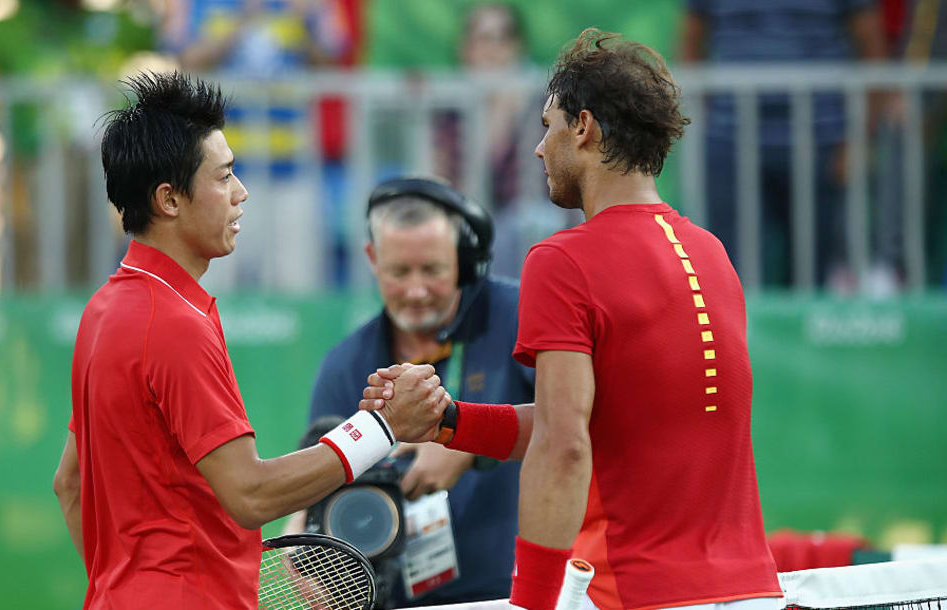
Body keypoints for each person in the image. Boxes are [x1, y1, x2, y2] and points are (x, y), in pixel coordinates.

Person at [363, 29, 781, 610]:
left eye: (547, 125)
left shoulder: (563, 259)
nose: (539, 148)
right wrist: (448, 420)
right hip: (753, 592)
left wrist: (532, 603)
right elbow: (592, 424)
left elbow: (564, 446)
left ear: (582, 128)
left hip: (634, 593)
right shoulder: (711, 252)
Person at [51, 71, 449, 610]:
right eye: (224, 177)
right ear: (169, 199)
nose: (241, 194)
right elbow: (250, 494)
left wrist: (129, 587)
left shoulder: (104, 310)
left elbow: (68, 484)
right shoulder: (171, 322)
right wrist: (382, 430)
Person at [301, 177, 534, 606]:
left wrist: (467, 442)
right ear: (372, 259)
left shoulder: (520, 317)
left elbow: (580, 423)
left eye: (432, 270)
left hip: (515, 595)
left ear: (463, 262)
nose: (415, 290)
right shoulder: (345, 365)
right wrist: (305, 563)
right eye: (398, 271)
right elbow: (313, 492)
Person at [678, 0, 895, 289]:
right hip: (729, 142)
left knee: (812, 276)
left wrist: (858, 138)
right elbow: (691, 38)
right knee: (727, 275)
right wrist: (704, 120)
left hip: (822, 144)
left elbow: (870, 43)